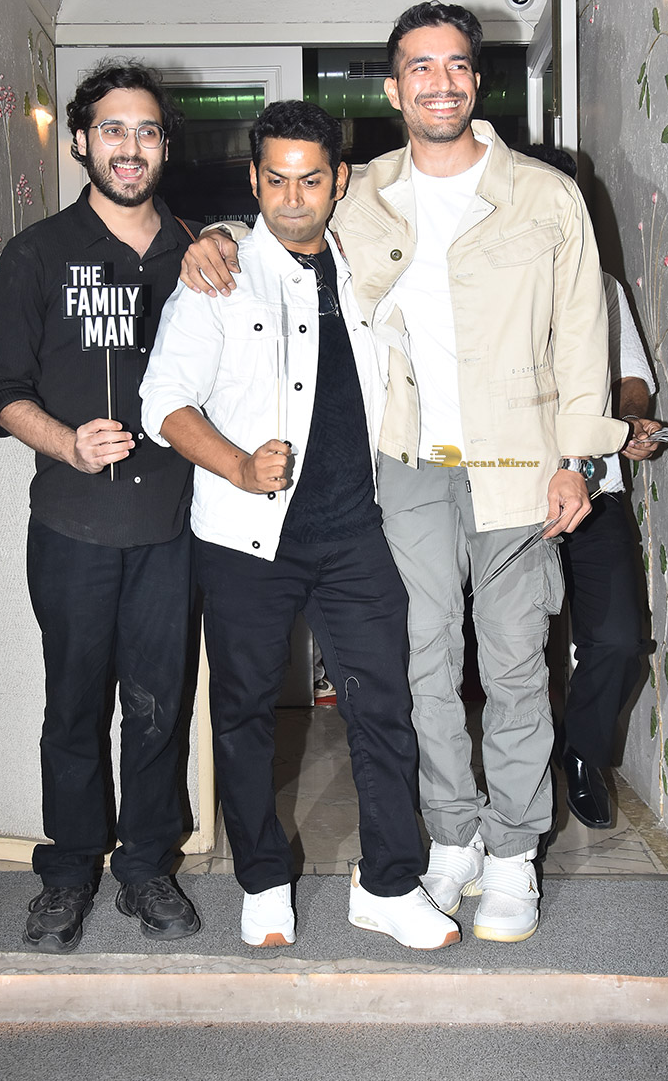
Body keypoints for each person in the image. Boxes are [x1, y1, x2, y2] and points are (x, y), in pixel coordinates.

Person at [180, 3, 629, 943]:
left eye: (455, 65)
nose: (439, 82)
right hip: (409, 465)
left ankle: (513, 852)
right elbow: (284, 218)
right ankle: (452, 835)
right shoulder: (366, 192)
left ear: (477, 80)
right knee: (422, 666)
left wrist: (579, 459)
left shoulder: (546, 195)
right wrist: (214, 235)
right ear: (394, 88)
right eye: (419, 67)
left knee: (514, 664)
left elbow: (587, 334)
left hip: (520, 464)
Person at [140, 100, 460, 952]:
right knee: (244, 713)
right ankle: (263, 879)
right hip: (246, 538)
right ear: (253, 180)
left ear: (338, 181)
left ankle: (390, 884)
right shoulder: (220, 274)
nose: (291, 198)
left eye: (310, 180)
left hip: (355, 532)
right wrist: (239, 464)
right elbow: (162, 401)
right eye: (275, 180)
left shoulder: (365, 261)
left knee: (383, 708)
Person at [0, 61, 202, 953]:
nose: (130, 146)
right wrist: (66, 442)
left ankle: (147, 867)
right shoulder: (36, 253)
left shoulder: (197, 252)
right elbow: (4, 390)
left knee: (158, 708)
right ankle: (69, 872)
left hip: (173, 527)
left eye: (146, 131)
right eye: (113, 129)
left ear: (163, 145)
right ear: (81, 140)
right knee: (74, 707)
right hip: (72, 525)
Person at [520, 145, 662, 828]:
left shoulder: (602, 286)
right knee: (508, 646)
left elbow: (632, 378)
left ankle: (582, 752)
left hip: (595, 490)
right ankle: (510, 773)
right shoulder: (487, 283)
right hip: (513, 495)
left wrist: (627, 421)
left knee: (620, 638)